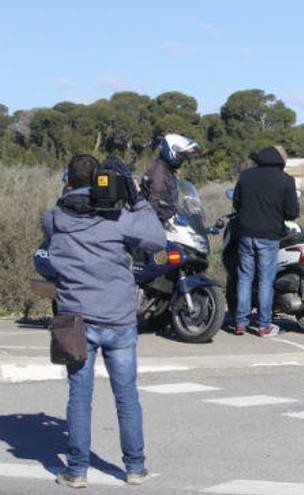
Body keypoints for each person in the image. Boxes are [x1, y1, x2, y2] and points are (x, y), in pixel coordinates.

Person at [43, 154, 166, 488]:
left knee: (79, 397)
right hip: (118, 319)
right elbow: (156, 238)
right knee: (126, 395)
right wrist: (137, 199)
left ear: (68, 179)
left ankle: (77, 471)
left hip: (75, 320)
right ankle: (135, 468)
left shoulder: (54, 217)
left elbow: (53, 226)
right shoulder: (118, 217)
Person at [233, 145, 300, 337]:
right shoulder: (285, 180)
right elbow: (292, 212)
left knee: (245, 278)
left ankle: (240, 323)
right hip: (269, 236)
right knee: (265, 281)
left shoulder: (246, 176)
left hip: (245, 234)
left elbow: (236, 203)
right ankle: (264, 325)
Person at [141, 133, 201, 223]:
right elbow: (155, 205)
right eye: (181, 157)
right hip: (155, 224)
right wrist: (168, 220)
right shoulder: (159, 173)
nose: (182, 161)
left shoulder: (165, 169)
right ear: (171, 152)